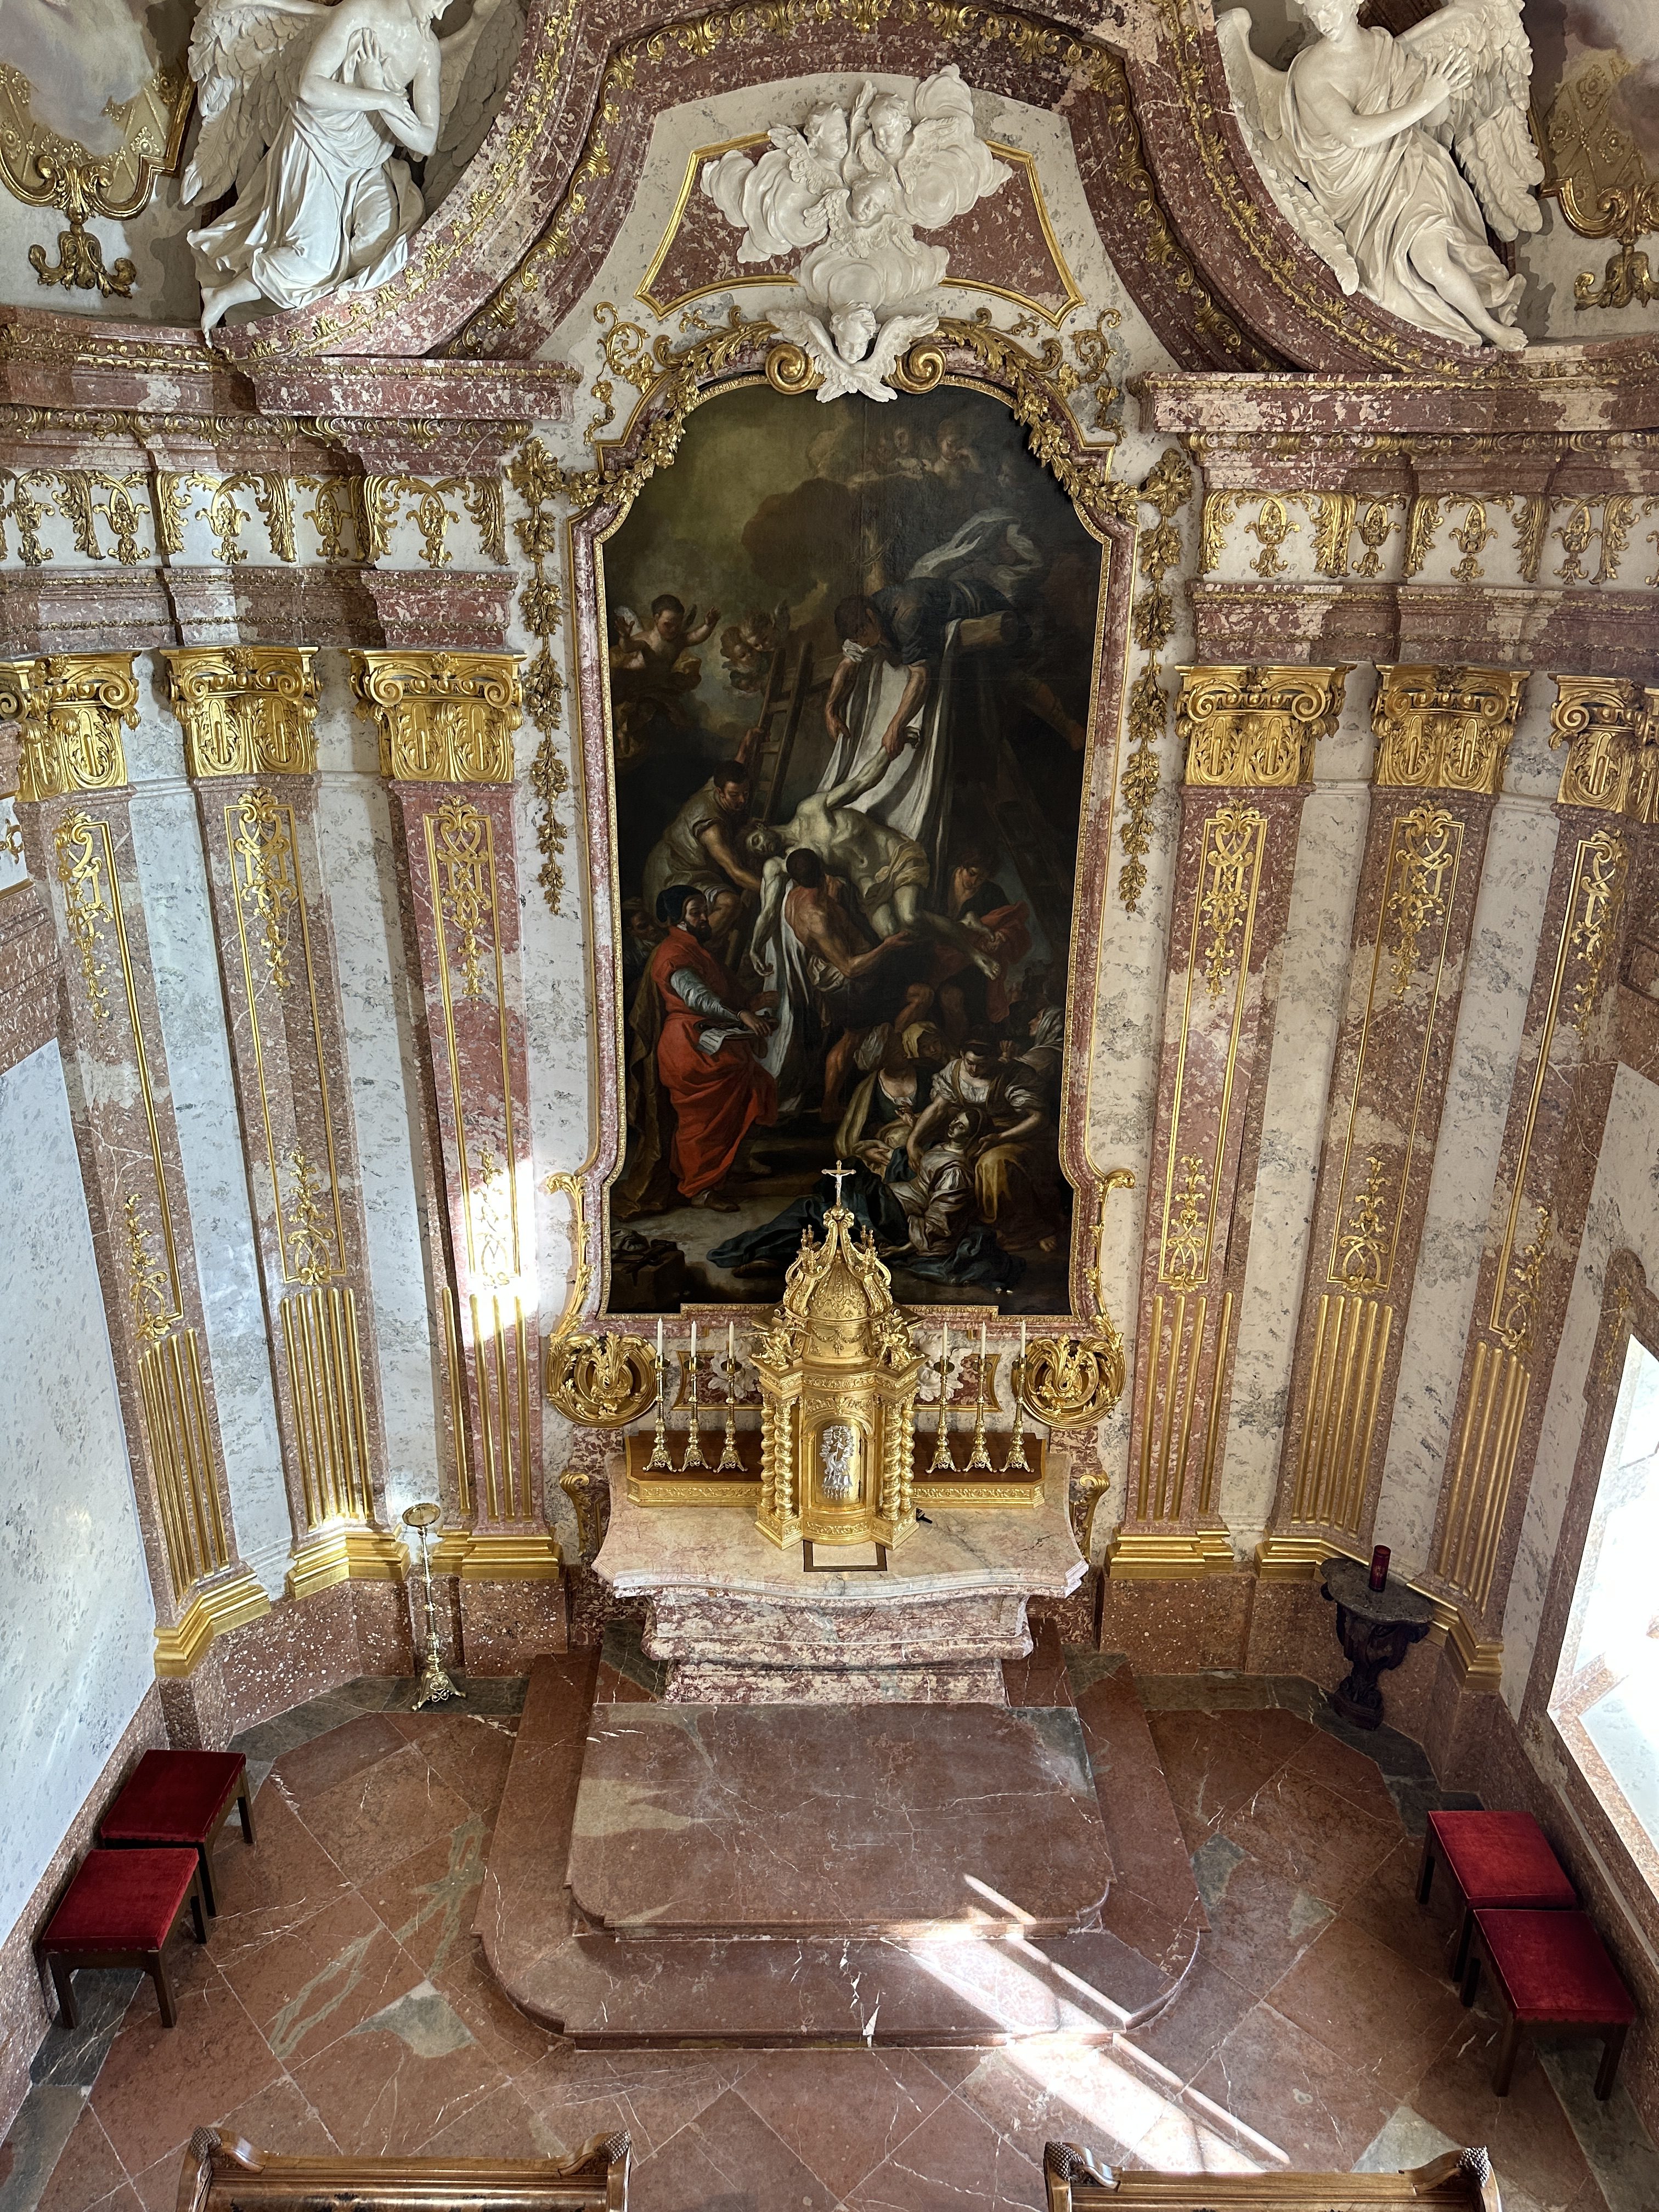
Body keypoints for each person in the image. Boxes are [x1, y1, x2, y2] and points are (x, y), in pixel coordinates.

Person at [646, 885, 776, 1209]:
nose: (705, 918)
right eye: (696, 912)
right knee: (701, 1124)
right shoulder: (674, 954)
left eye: (705, 910)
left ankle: (739, 1163)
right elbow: (697, 998)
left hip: (709, 1041)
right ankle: (700, 1189)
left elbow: (724, 991)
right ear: (677, 919)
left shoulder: (695, 949)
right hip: (689, 1047)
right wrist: (742, 1014)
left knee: (760, 1089)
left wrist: (753, 1001)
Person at [642, 764, 766, 951]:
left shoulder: (715, 785)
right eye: (734, 795)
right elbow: (736, 872)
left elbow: (737, 762)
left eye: (746, 793)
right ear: (720, 792)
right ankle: (689, 954)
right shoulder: (711, 828)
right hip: (675, 874)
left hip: (683, 865)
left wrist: (748, 742)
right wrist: (776, 890)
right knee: (730, 905)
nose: (742, 800)